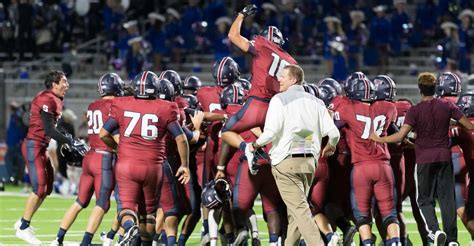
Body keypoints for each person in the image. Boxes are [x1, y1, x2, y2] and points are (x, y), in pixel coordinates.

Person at [370, 72, 474, 245]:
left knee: (424, 199)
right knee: (447, 200)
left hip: (425, 158)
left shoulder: (415, 110)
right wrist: (448, 123)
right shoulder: (447, 107)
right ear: (435, 88)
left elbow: (400, 136)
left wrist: (379, 139)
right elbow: (468, 125)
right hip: (444, 157)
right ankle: (452, 239)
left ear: (420, 90)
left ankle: (434, 230)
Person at [245, 64, 340, 245]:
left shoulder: (279, 99)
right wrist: (332, 146)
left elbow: (271, 132)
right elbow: (334, 133)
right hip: (309, 162)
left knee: (300, 211)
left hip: (286, 162)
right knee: (296, 214)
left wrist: (254, 145)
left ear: (294, 79)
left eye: (283, 76)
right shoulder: (317, 102)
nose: (279, 79)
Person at [99, 71, 190, 244]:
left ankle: (129, 227)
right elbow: (181, 138)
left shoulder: (122, 103)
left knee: (127, 208)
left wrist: (118, 149)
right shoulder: (166, 107)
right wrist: (184, 165)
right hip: (153, 166)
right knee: (149, 213)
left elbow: (103, 134)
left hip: (126, 165)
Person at [14, 70, 88, 244]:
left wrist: (69, 139)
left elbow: (52, 128)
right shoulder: (47, 98)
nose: (67, 85)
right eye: (64, 82)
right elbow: (48, 129)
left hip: (42, 146)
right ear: (54, 84)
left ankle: (23, 222)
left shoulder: (55, 99)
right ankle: (23, 226)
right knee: (39, 188)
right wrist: (68, 141)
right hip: (34, 145)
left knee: (47, 188)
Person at [51, 73, 124, 245]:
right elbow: (115, 137)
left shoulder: (93, 106)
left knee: (80, 202)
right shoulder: (117, 106)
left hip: (89, 156)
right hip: (104, 158)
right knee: (102, 204)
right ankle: (86, 241)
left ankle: (58, 238)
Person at [222, 4, 297, 158]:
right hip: (279, 108)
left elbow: (233, 36)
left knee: (227, 131)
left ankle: (247, 149)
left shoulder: (262, 45)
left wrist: (241, 15)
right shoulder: (292, 61)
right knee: (279, 149)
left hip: (257, 103)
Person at [5, 101, 27, 185]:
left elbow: (18, 111)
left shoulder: (19, 116)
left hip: (17, 143)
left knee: (17, 161)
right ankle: (16, 178)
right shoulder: (14, 116)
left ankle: (16, 178)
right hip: (13, 143)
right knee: (15, 161)